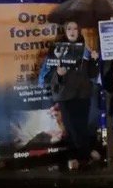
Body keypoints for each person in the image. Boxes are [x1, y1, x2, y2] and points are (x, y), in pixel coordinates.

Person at [41, 21, 100, 170]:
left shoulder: (86, 49)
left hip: (83, 93)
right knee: (71, 127)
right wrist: (59, 75)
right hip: (65, 95)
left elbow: (92, 74)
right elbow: (48, 76)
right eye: (69, 29)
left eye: (75, 28)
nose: (72, 31)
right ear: (65, 31)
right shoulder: (57, 49)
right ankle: (74, 156)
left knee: (82, 125)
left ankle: (84, 155)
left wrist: (94, 60)